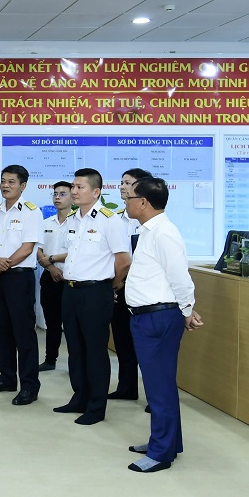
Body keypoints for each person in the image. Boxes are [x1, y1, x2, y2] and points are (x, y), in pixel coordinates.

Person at [122, 176, 203, 473]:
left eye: (129, 197)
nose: (125, 201)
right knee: (159, 384)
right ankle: (168, 442)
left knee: (159, 387)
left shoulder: (164, 233)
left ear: (143, 202)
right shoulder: (149, 231)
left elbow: (180, 277)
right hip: (148, 316)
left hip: (157, 318)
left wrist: (187, 310)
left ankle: (160, 453)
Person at [53, 168, 130, 425]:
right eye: (73, 186)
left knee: (95, 351)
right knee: (75, 349)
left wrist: (112, 286)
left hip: (96, 292)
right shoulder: (73, 219)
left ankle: (96, 407)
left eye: (80, 187)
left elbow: (123, 260)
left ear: (96, 192)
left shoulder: (109, 220)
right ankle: (80, 398)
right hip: (70, 290)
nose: (74, 191)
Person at [0, 165, 43, 406]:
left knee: (23, 333)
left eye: (11, 182)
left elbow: (27, 249)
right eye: (3, 181)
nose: (5, 186)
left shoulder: (31, 212)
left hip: (19, 277)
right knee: (1, 330)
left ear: (23, 186)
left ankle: (29, 386)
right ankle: (6, 377)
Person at [109, 167, 152, 402]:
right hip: (119, 287)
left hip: (142, 288)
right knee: (122, 338)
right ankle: (126, 387)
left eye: (128, 183)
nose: (123, 187)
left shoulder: (150, 220)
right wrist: (116, 283)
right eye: (122, 182)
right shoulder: (115, 218)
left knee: (146, 345)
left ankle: (154, 397)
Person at [35, 181, 73, 371]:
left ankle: (76, 363)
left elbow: (78, 251)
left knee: (72, 324)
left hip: (70, 280)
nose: (57, 197)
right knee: (52, 321)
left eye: (62, 194)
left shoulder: (78, 223)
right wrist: (51, 267)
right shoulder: (46, 223)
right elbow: (37, 249)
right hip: (50, 277)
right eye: (55, 194)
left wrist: (53, 259)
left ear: (73, 197)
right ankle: (50, 359)